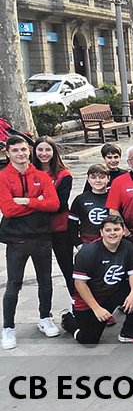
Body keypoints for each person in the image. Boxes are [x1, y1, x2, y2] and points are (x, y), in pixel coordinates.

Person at [0, 135, 60, 349]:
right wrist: (38, 202)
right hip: (16, 239)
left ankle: (45, 317)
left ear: (29, 151)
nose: (21, 154)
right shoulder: (3, 177)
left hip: (41, 236)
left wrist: (25, 201)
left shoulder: (41, 176)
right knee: (14, 284)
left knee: (45, 280)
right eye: (15, 150)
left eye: (24, 149)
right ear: (8, 153)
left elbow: (54, 204)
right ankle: (8, 327)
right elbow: (8, 209)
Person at [61, 215, 133, 346]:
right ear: (101, 232)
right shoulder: (88, 252)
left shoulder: (128, 247)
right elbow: (80, 284)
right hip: (90, 300)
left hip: (112, 292)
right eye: (108, 230)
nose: (112, 233)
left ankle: (129, 330)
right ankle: (69, 321)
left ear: (123, 231)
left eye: (116, 229)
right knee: (89, 340)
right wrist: (96, 308)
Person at [32, 137, 74, 295]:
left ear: (54, 152)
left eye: (47, 149)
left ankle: (77, 303)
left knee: (68, 268)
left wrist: (34, 202)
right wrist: (43, 201)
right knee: (43, 273)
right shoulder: (29, 173)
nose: (44, 153)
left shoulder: (63, 175)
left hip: (60, 228)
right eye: (40, 149)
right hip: (37, 230)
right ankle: (45, 308)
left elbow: (60, 205)